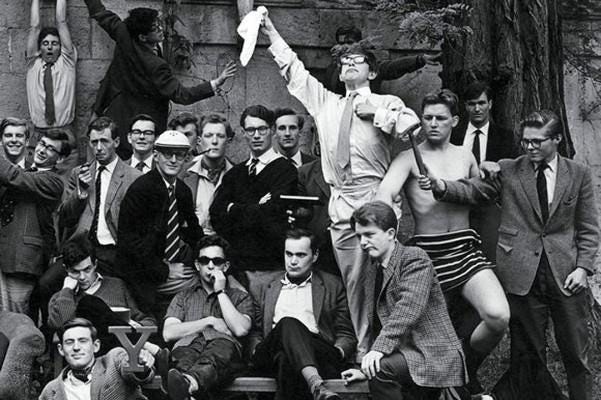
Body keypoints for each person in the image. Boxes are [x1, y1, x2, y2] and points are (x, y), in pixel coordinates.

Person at [261, 15, 420, 360]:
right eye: (344, 60)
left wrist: (375, 114)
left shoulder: (385, 103)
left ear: (372, 73)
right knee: (354, 285)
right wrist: (270, 30)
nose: (348, 64)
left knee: (386, 278)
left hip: (375, 199)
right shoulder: (326, 103)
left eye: (356, 60)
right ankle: (362, 353)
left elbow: (411, 127)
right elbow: (293, 69)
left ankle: (398, 351)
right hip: (341, 201)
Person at [422, 110, 599, 400]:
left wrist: (583, 268)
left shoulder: (578, 174)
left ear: (557, 139)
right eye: (526, 141)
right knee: (528, 354)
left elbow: (588, 227)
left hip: (566, 274)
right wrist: (442, 186)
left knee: (576, 354)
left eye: (537, 141)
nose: (529, 147)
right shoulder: (507, 170)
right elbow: (474, 191)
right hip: (521, 273)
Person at [375, 89, 509, 395]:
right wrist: (383, 224)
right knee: (421, 335)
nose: (433, 124)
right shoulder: (408, 158)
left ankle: (462, 369)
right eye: (428, 118)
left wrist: (488, 170)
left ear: (455, 121)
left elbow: (480, 195)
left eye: (440, 118)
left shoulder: (465, 155)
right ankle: (442, 383)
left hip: (465, 251)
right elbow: (384, 195)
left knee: (498, 316)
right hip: (428, 256)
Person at [342, 201, 466, 400]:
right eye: (359, 236)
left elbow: (408, 309)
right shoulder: (372, 270)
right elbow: (379, 324)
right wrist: (366, 369)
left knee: (381, 370)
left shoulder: (414, 258)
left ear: (391, 233)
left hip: (431, 353)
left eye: (369, 234)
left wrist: (378, 351)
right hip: (403, 354)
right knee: (379, 370)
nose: (363, 242)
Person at [82, 0, 237, 159]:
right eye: (155, 28)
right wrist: (215, 83)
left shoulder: (124, 33)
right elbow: (182, 95)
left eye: (159, 24)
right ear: (143, 37)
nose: (161, 29)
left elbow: (100, 13)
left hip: (117, 117)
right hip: (143, 127)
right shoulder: (156, 66)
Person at [251, 228, 356, 400]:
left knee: (286, 359)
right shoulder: (263, 286)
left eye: (300, 255)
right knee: (287, 324)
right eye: (289, 254)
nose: (293, 261)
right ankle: (316, 385)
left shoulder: (332, 285)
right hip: (271, 351)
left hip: (317, 351)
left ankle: (315, 384)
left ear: (315, 256)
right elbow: (255, 330)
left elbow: (345, 332)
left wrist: (338, 352)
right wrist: (255, 349)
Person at [210, 105, 298, 294]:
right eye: (250, 130)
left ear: (272, 130)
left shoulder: (286, 170)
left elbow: (272, 215)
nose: (256, 135)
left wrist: (233, 209)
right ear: (243, 133)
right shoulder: (234, 173)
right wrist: (257, 207)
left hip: (269, 268)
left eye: (262, 129)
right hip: (235, 269)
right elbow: (216, 215)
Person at [117, 130, 202, 318]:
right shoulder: (141, 189)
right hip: (141, 273)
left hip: (169, 268)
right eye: (167, 154)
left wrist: (210, 257)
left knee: (207, 279)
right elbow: (129, 242)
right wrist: (164, 269)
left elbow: (194, 232)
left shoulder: (182, 191)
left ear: (186, 159)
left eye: (179, 155)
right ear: (156, 156)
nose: (173, 160)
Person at [161, 235, 253, 400]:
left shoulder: (240, 296)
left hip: (224, 352)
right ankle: (188, 387)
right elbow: (168, 333)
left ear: (225, 266)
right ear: (197, 265)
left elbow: (240, 329)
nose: (210, 266)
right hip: (187, 347)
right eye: (204, 261)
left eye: (217, 261)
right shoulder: (183, 297)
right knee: (184, 358)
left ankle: (187, 384)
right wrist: (209, 322)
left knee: (217, 353)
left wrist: (221, 292)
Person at [59, 116, 142, 277]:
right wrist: (81, 193)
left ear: (116, 142)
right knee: (46, 284)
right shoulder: (79, 173)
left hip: (113, 251)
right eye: (94, 142)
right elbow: (66, 218)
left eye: (104, 141)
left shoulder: (134, 177)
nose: (98, 148)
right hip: (80, 249)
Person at [0, 129, 70, 315]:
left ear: (60, 159)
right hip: (5, 254)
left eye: (50, 149)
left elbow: (14, 177)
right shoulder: (27, 172)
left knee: (18, 317)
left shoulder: (53, 181)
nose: (42, 150)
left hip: (22, 260)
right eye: (42, 144)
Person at [47, 239, 156, 354]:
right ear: (66, 270)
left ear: (95, 264)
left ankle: (141, 344)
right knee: (88, 303)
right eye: (75, 272)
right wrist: (67, 291)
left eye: (87, 269)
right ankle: (147, 346)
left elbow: (148, 321)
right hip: (88, 354)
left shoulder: (117, 286)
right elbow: (64, 328)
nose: (82, 277)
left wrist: (134, 326)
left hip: (123, 351)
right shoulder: (59, 298)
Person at [450, 81, 517, 262]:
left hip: (491, 208)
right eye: (472, 104)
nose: (477, 109)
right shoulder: (453, 135)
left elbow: (511, 174)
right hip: (458, 207)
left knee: (490, 257)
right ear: (465, 106)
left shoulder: (505, 137)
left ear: (490, 104)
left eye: (481, 103)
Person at [39, 318, 155, 400]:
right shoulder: (51, 391)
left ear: (96, 346)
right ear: (61, 349)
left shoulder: (113, 361)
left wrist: (140, 364)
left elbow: (131, 370)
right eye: (69, 342)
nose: (76, 347)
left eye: (83, 341)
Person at [26, 0, 80, 175]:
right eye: (45, 43)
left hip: (64, 134)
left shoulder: (67, 62)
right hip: (38, 134)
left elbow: (61, 21)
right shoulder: (32, 64)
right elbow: (34, 27)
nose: (50, 47)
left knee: (66, 184)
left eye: (54, 43)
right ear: (39, 48)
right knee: (34, 183)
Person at [320, 25, 441, 96]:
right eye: (341, 43)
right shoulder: (332, 69)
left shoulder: (369, 66)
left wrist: (419, 60)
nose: (344, 47)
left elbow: (392, 67)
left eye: (349, 43)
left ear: (359, 44)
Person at [181, 114, 235, 236]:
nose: (214, 141)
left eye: (220, 136)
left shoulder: (238, 175)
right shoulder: (183, 173)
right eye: (208, 136)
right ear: (199, 141)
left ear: (228, 141)